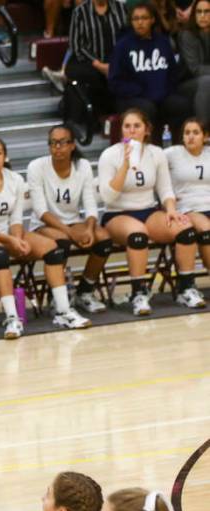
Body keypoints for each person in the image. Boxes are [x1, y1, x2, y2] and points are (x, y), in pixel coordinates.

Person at [0, 137, 92, 331]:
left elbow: (16, 218)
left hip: (10, 234)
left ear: (5, 157)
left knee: (54, 250)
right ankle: (12, 317)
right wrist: (11, 241)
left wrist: (16, 238)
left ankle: (63, 311)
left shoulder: (15, 179)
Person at [97, 108, 205, 314]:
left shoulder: (156, 153)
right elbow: (108, 197)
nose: (131, 131)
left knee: (185, 228)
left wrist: (171, 210)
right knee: (138, 234)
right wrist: (125, 165)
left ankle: (186, 288)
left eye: (137, 126)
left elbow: (165, 189)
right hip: (118, 214)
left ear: (146, 130)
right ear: (121, 131)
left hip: (148, 211)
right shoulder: (110, 155)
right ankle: (138, 293)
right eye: (127, 126)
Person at [28, 125, 113, 315]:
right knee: (62, 242)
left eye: (62, 142)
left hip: (74, 221)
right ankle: (56, 296)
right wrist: (70, 232)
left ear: (72, 145)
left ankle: (85, 291)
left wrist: (89, 229)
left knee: (104, 240)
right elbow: (41, 210)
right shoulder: (37, 167)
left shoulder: (82, 166)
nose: (57, 147)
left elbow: (90, 204)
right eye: (53, 143)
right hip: (43, 224)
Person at [108, 3, 192, 143]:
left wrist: (165, 91)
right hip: (132, 97)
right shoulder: (122, 46)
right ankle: (153, 153)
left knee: (181, 105)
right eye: (136, 19)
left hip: (160, 95)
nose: (140, 22)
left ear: (152, 20)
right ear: (131, 21)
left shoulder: (163, 42)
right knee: (148, 108)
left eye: (144, 18)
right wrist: (141, 91)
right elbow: (115, 82)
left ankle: (179, 149)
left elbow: (172, 73)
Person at [65, 0, 127, 125]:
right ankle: (88, 122)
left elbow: (128, 38)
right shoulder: (80, 12)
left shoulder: (122, 9)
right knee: (88, 76)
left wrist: (116, 64)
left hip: (118, 61)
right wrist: (98, 64)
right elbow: (77, 45)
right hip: (89, 62)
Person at [166, 117, 210, 271]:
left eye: (196, 133)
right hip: (188, 208)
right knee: (206, 229)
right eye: (187, 133)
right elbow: (149, 164)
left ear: (205, 137)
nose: (190, 136)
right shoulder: (172, 153)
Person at [179, 0, 210, 126]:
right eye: (198, 12)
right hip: (188, 83)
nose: (202, 15)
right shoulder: (187, 35)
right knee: (207, 81)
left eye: (207, 11)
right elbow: (195, 69)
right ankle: (205, 131)